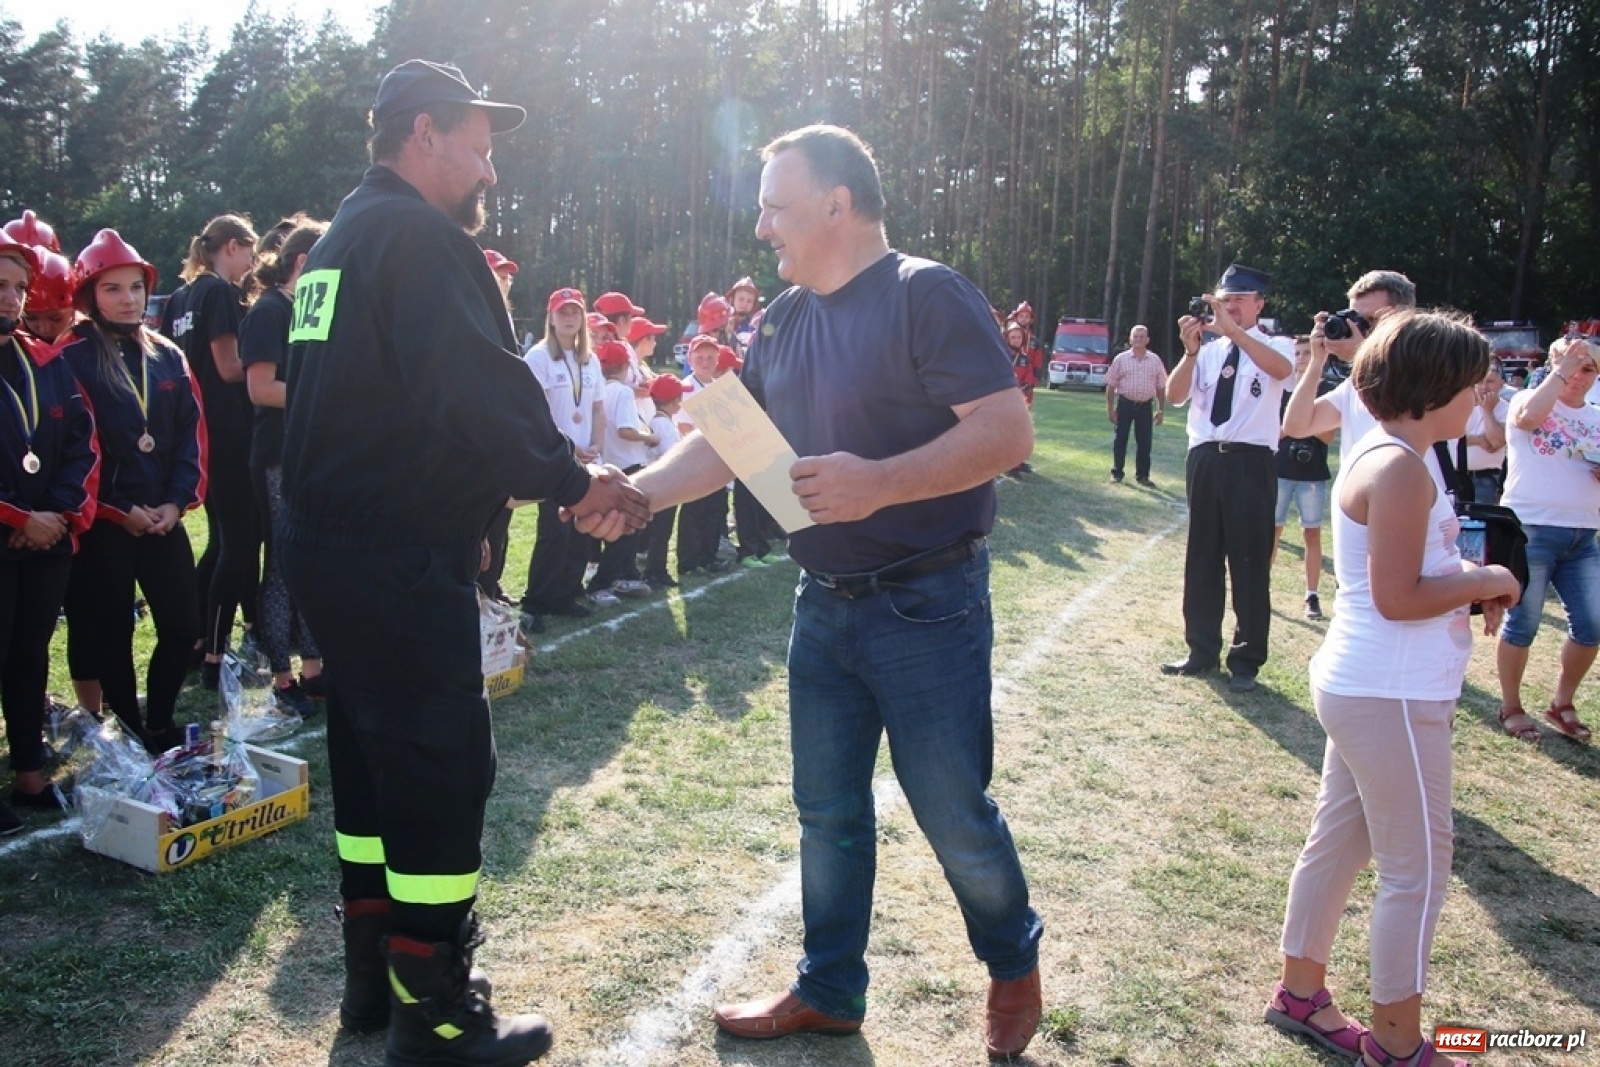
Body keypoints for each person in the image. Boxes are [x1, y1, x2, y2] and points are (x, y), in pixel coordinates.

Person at [634, 124, 1043, 1059]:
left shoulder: (925, 293)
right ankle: (829, 988)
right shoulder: (781, 316)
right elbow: (736, 441)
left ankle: (1012, 959)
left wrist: (881, 480)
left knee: (951, 809)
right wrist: (637, 493)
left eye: (776, 204)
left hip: (927, 604)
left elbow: (1007, 430)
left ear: (837, 202)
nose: (762, 223)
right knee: (827, 809)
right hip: (821, 604)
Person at [277, 60, 648, 1067]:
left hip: (330, 543)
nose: (491, 162)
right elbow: (476, 393)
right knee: (441, 760)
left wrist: (510, 492)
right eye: (478, 139)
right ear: (423, 133)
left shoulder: (340, 238)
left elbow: (381, 394)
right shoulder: (419, 236)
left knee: (364, 746)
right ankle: (434, 1012)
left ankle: (369, 973)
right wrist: (571, 484)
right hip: (392, 550)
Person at [1271, 310, 1518, 1067]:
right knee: (1418, 871)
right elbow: (1398, 596)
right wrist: (1489, 578)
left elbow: (1403, 580)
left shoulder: (1390, 451)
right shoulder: (1402, 466)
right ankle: (1398, 1042)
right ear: (1432, 387)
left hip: (1370, 683)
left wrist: (1462, 582)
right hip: (1392, 692)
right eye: (1471, 384)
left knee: (1339, 842)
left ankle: (1301, 991)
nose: (1479, 397)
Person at [60, 229, 205, 754]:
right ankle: (129, 728)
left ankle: (161, 720)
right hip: (107, 526)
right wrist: (115, 511)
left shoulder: (168, 356)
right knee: (111, 630)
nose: (128, 300)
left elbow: (191, 437)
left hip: (163, 517)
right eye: (113, 289)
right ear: (90, 296)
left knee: (183, 623)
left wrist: (175, 501)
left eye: (135, 288)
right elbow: (71, 449)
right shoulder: (70, 358)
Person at [0, 238, 97, 833]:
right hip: (13, 532)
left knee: (28, 653)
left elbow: (82, 441)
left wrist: (57, 513)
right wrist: (17, 518)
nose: (10, 298)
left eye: (16, 287)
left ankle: (30, 772)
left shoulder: (45, 360)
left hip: (47, 536)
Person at [1161, 264, 1295, 692]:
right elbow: (1175, 395)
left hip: (1250, 461)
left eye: (1238, 299)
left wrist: (1236, 334)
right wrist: (1191, 350)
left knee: (1250, 561)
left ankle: (1246, 660)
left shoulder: (1276, 344)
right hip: (1205, 458)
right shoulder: (1210, 350)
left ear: (1259, 303)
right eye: (1223, 299)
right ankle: (1201, 650)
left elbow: (1281, 371)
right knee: (1202, 557)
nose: (1228, 307)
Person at [165, 213, 262, 688]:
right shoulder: (218, 292)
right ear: (229, 246)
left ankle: (197, 639)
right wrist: (270, 362)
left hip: (198, 431)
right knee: (238, 542)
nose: (252, 263)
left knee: (222, 540)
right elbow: (228, 367)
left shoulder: (181, 296)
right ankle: (213, 654)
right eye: (249, 251)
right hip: (227, 428)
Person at [240, 219, 328, 719]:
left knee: (312, 561)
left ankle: (315, 671)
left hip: (306, 455)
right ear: (302, 262)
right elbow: (260, 388)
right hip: (275, 456)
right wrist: (324, 400)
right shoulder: (269, 311)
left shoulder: (306, 311)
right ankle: (282, 677)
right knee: (279, 569)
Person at [1493, 338, 1600, 744]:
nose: (1577, 373)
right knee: (1523, 623)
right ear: (1553, 363)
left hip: (1583, 535)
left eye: (1588, 368)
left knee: (1592, 625)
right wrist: (1560, 371)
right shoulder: (1526, 400)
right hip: (1532, 529)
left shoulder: (1596, 416)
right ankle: (1511, 706)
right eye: (1570, 363)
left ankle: (1562, 702)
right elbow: (1526, 419)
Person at [519, 286, 608, 628]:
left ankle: (566, 595)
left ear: (583, 319)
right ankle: (536, 602)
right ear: (551, 318)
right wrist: (568, 446)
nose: (569, 318)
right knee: (553, 531)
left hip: (587, 459)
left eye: (575, 312)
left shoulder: (590, 359)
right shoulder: (539, 357)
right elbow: (535, 411)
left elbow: (598, 408)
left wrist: (597, 444)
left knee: (581, 529)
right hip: (555, 458)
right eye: (562, 312)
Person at [1280, 270, 1418, 463]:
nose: (1360, 328)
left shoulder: (1424, 369)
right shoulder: (1356, 383)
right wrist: (1317, 360)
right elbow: (1296, 426)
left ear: (1403, 318)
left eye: (1371, 320)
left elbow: (1399, 421)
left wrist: (1362, 355)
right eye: (1355, 319)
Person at [1273, 337, 1335, 621]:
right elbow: (1274, 432)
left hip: (1312, 474)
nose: (1300, 357)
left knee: (1312, 534)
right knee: (1273, 531)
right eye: (1297, 353)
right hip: (1279, 470)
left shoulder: (1326, 390)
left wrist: (1299, 422)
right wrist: (1302, 423)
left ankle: (1311, 595)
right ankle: (1262, 588)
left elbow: (1327, 435)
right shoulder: (1280, 388)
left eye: (1306, 353)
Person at [1104, 323, 1167, 486]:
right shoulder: (1121, 359)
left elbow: (1161, 386)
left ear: (1147, 340)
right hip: (1125, 404)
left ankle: (1143, 476)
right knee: (1120, 440)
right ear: (1130, 340)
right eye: (1135, 336)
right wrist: (1110, 409)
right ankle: (1117, 473)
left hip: (1145, 406)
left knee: (1145, 442)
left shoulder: (1155, 360)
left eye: (1142, 337)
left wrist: (1160, 410)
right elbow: (1110, 385)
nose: (1138, 339)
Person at [639, 374, 684, 589]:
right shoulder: (663, 425)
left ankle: (655, 569)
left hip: (659, 483)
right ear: (675, 400)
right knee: (661, 532)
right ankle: (655, 571)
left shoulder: (659, 422)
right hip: (665, 485)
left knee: (659, 531)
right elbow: (671, 455)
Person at [1462, 359, 1508, 505]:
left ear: (1501, 383)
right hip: (1457, 476)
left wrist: (1487, 410)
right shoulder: (1460, 405)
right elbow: (1446, 438)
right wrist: (1478, 440)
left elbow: (1496, 441)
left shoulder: (1506, 408)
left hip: (1487, 479)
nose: (1484, 387)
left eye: (1490, 382)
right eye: (1480, 381)